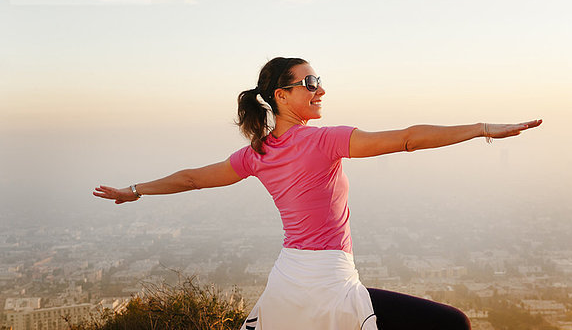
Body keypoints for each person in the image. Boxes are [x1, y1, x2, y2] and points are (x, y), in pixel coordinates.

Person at [94, 57, 542, 330]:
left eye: (319, 80)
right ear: (281, 96)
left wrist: (135, 191)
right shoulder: (323, 140)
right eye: (309, 83)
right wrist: (483, 129)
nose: (320, 89)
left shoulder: (257, 153)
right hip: (327, 280)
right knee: (453, 324)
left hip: (288, 279)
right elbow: (406, 138)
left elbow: (193, 178)